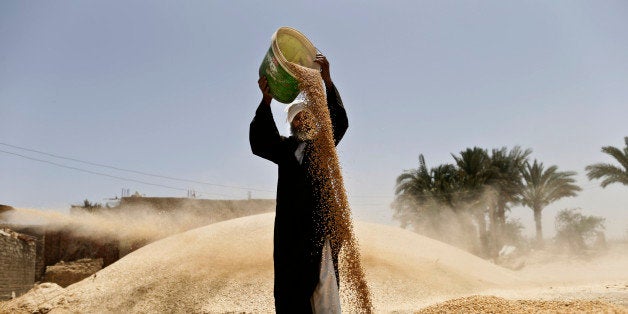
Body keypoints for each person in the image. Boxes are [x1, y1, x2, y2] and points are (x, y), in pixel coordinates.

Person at [249, 53, 348, 313]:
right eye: (297, 119)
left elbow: (339, 122)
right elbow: (260, 142)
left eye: (307, 117)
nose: (303, 121)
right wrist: (266, 100)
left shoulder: (323, 146)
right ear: (292, 124)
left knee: (323, 289)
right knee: (291, 293)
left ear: (315, 122)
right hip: (290, 235)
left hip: (320, 232)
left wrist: (327, 80)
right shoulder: (283, 149)